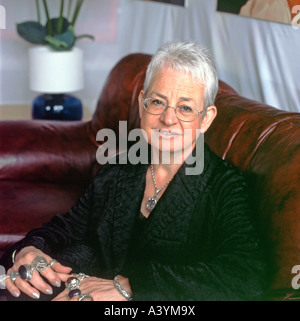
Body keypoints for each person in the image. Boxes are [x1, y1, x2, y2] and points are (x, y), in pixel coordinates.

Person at [0, 41, 266, 301]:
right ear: (142, 104)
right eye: (158, 102)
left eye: (185, 108)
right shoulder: (119, 170)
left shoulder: (225, 186)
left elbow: (245, 276)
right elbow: (67, 228)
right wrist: (28, 250)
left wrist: (130, 286)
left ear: (206, 118)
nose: (168, 118)